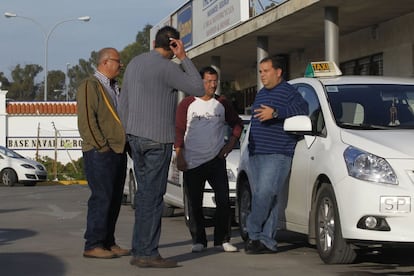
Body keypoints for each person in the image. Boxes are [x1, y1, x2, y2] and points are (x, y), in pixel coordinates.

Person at [119, 26, 204, 268]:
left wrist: (126, 135)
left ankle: (140, 248)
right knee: (154, 197)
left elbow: (123, 102)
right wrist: (184, 57)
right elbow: (198, 88)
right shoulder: (167, 67)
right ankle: (147, 253)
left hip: (134, 136)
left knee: (144, 194)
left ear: (155, 41)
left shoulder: (135, 63)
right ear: (173, 44)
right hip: (157, 139)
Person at [175, 66, 243, 253]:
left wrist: (230, 145)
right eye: (208, 81)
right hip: (192, 161)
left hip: (216, 160)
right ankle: (199, 240)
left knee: (223, 200)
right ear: (200, 82)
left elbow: (237, 124)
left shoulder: (222, 103)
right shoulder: (187, 104)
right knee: (194, 203)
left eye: (215, 81)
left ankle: (223, 239)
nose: (212, 85)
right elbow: (179, 130)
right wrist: (179, 155)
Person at [245, 56, 308, 254]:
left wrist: (275, 113)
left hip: (278, 153)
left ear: (278, 72)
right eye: (261, 71)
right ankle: (266, 241)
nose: (262, 75)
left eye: (266, 71)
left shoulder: (290, 92)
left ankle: (252, 231)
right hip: (256, 152)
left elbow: (303, 110)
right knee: (267, 198)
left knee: (265, 194)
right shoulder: (261, 93)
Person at [77, 47, 130, 259]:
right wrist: (101, 145)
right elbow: (87, 120)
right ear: (105, 62)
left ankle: (108, 241)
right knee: (102, 197)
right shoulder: (91, 85)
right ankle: (94, 243)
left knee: (115, 198)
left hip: (118, 150)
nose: (121, 65)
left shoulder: (114, 87)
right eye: (118, 61)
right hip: (101, 152)